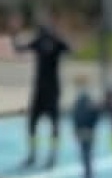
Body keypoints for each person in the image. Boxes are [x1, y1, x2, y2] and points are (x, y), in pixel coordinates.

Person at [10, 11, 71, 168]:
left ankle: (52, 155)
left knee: (54, 125)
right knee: (32, 124)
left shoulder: (57, 42)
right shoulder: (39, 40)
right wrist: (14, 33)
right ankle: (32, 154)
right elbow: (19, 49)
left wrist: (62, 35)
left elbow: (70, 49)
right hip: (39, 90)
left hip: (52, 90)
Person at [70, 74, 102, 178]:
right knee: (85, 157)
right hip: (84, 130)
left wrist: (89, 127)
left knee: (86, 157)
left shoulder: (85, 100)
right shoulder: (82, 99)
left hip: (86, 131)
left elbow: (92, 115)